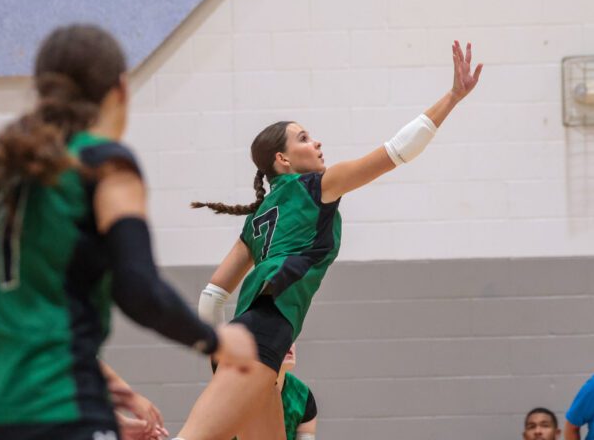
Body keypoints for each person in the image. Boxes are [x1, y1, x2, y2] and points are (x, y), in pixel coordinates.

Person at [0, 24, 256, 440]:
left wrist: (5, 374)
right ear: (120, 88)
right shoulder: (103, 163)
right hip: (61, 413)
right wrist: (213, 340)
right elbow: (138, 288)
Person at [174, 41, 483, 440]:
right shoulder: (314, 188)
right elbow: (397, 152)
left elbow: (211, 298)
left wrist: (219, 355)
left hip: (245, 334)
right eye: (304, 138)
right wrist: (453, 97)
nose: (316, 143)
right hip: (264, 331)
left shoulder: (257, 219)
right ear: (282, 160)